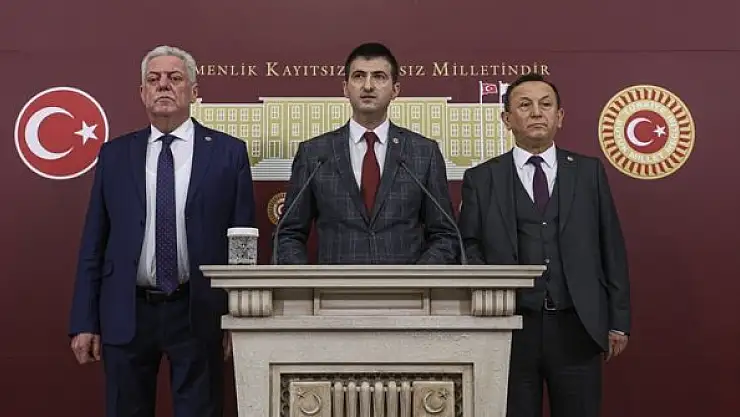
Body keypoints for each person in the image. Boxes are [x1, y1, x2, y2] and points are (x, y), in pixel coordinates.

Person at [68, 45, 256, 417]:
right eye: (153, 79)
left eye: (175, 78)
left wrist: (239, 317)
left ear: (194, 91)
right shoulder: (114, 155)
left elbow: (243, 245)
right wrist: (84, 320)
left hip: (198, 309)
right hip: (128, 310)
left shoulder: (228, 153)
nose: (163, 85)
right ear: (142, 93)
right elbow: (94, 241)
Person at [458, 73, 630, 417]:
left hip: (578, 326)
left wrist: (618, 321)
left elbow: (610, 246)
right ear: (507, 119)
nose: (537, 112)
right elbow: (468, 249)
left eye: (546, 105)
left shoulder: (588, 172)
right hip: (509, 327)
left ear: (560, 116)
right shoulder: (481, 178)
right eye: (525, 105)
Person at [274, 42, 458, 264]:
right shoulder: (315, 153)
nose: (368, 86)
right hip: (333, 285)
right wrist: (307, 281)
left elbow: (445, 235)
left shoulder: (423, 152)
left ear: (395, 90)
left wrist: (417, 278)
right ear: (345, 88)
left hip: (407, 285)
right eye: (359, 76)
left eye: (379, 77)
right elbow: (288, 234)